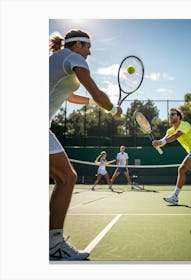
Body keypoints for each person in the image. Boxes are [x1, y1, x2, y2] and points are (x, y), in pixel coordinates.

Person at [49, 29, 122, 260]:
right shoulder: (74, 58)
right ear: (78, 44)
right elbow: (98, 94)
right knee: (67, 178)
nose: (90, 52)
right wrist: (112, 110)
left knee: (64, 177)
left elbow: (69, 96)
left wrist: (94, 102)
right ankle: (54, 245)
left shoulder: (56, 60)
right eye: (88, 46)